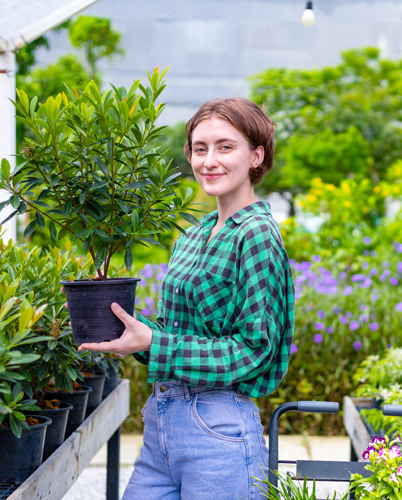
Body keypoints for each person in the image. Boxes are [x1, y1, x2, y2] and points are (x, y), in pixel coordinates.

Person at [77, 97, 295, 499]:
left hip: (218, 430)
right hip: (162, 426)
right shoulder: (194, 234)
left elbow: (253, 350)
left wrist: (156, 343)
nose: (209, 160)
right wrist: (127, 330)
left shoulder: (256, 233)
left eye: (225, 147)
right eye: (200, 149)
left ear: (256, 156)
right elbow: (173, 331)